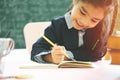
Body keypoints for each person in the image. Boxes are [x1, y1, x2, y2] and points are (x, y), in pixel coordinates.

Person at [31, 0, 118, 64]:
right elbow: (36, 50)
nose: (84, 22)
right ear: (75, 1)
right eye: (82, 12)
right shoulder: (57, 25)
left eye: (94, 20)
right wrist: (51, 57)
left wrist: (68, 55)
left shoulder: (100, 28)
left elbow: (97, 53)